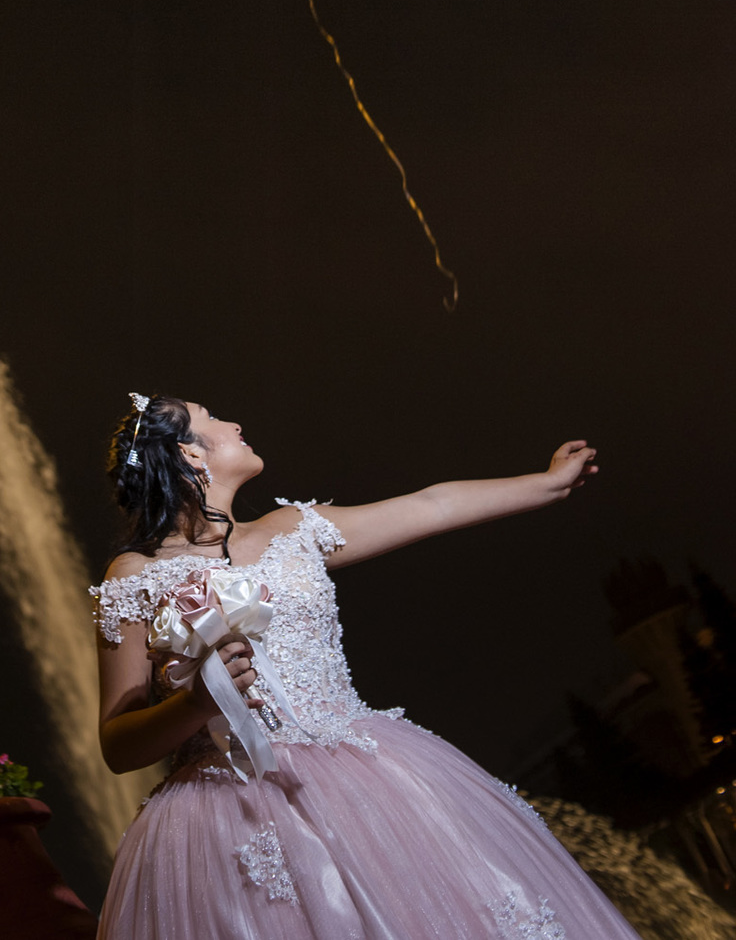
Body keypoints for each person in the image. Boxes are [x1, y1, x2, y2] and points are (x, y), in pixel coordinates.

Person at [91, 394, 640, 940]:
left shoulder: (293, 527)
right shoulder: (133, 575)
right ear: (189, 453)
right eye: (214, 419)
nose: (236, 423)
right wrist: (197, 706)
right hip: (224, 814)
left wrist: (545, 483)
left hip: (362, 778)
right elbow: (119, 744)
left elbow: (432, 505)